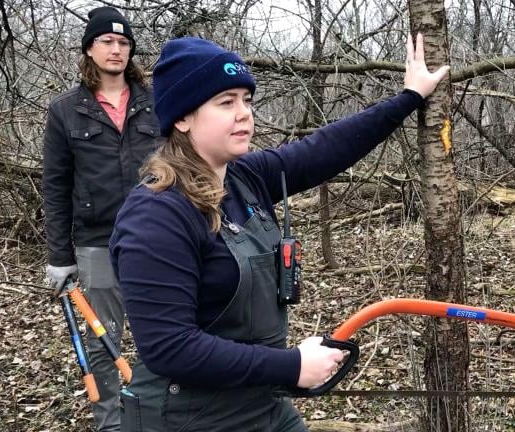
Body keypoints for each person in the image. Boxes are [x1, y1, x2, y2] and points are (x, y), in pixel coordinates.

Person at [109, 34, 448, 431]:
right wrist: (292, 366)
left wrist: (409, 96)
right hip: (185, 417)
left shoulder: (245, 177)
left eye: (247, 100)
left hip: (260, 401)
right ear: (182, 118)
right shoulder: (156, 214)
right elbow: (170, 347)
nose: (244, 114)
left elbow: (326, 148)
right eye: (225, 102)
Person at [42, 6, 160, 432]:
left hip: (156, 236)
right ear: (89, 49)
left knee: (161, 331)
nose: (116, 49)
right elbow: (55, 187)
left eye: (124, 42)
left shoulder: (156, 102)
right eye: (107, 42)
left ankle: (158, 413)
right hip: (96, 242)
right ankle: (111, 422)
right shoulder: (66, 111)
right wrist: (60, 256)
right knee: (103, 339)